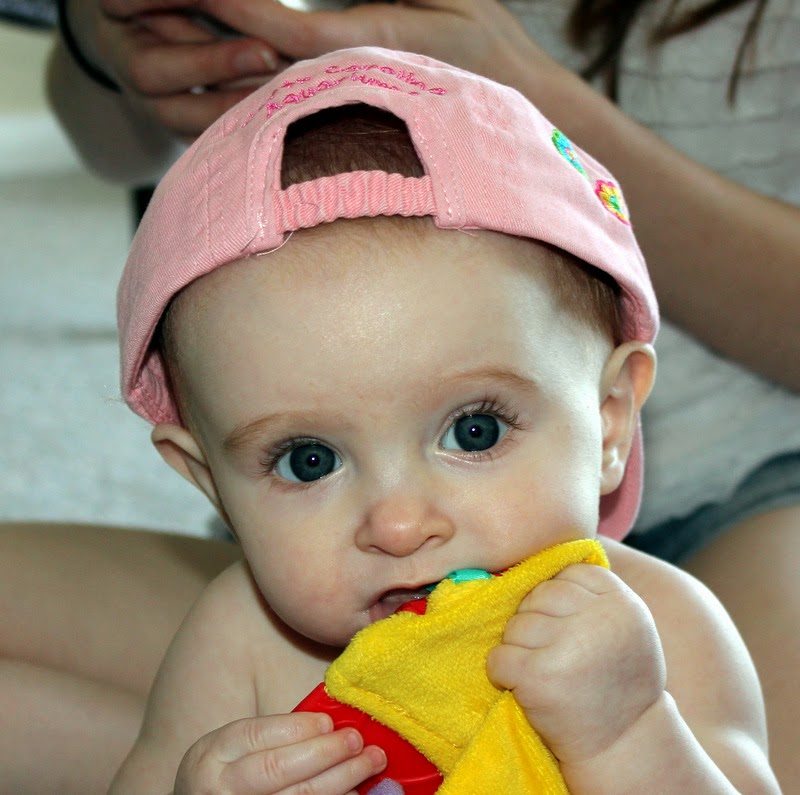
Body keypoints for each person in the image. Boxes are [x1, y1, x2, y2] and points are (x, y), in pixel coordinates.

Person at [2, 0, 795, 791]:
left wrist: (627, 733)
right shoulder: (238, 641)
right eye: (309, 461)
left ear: (610, 417)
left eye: (475, 431)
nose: (400, 524)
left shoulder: (657, 630)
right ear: (209, 479)